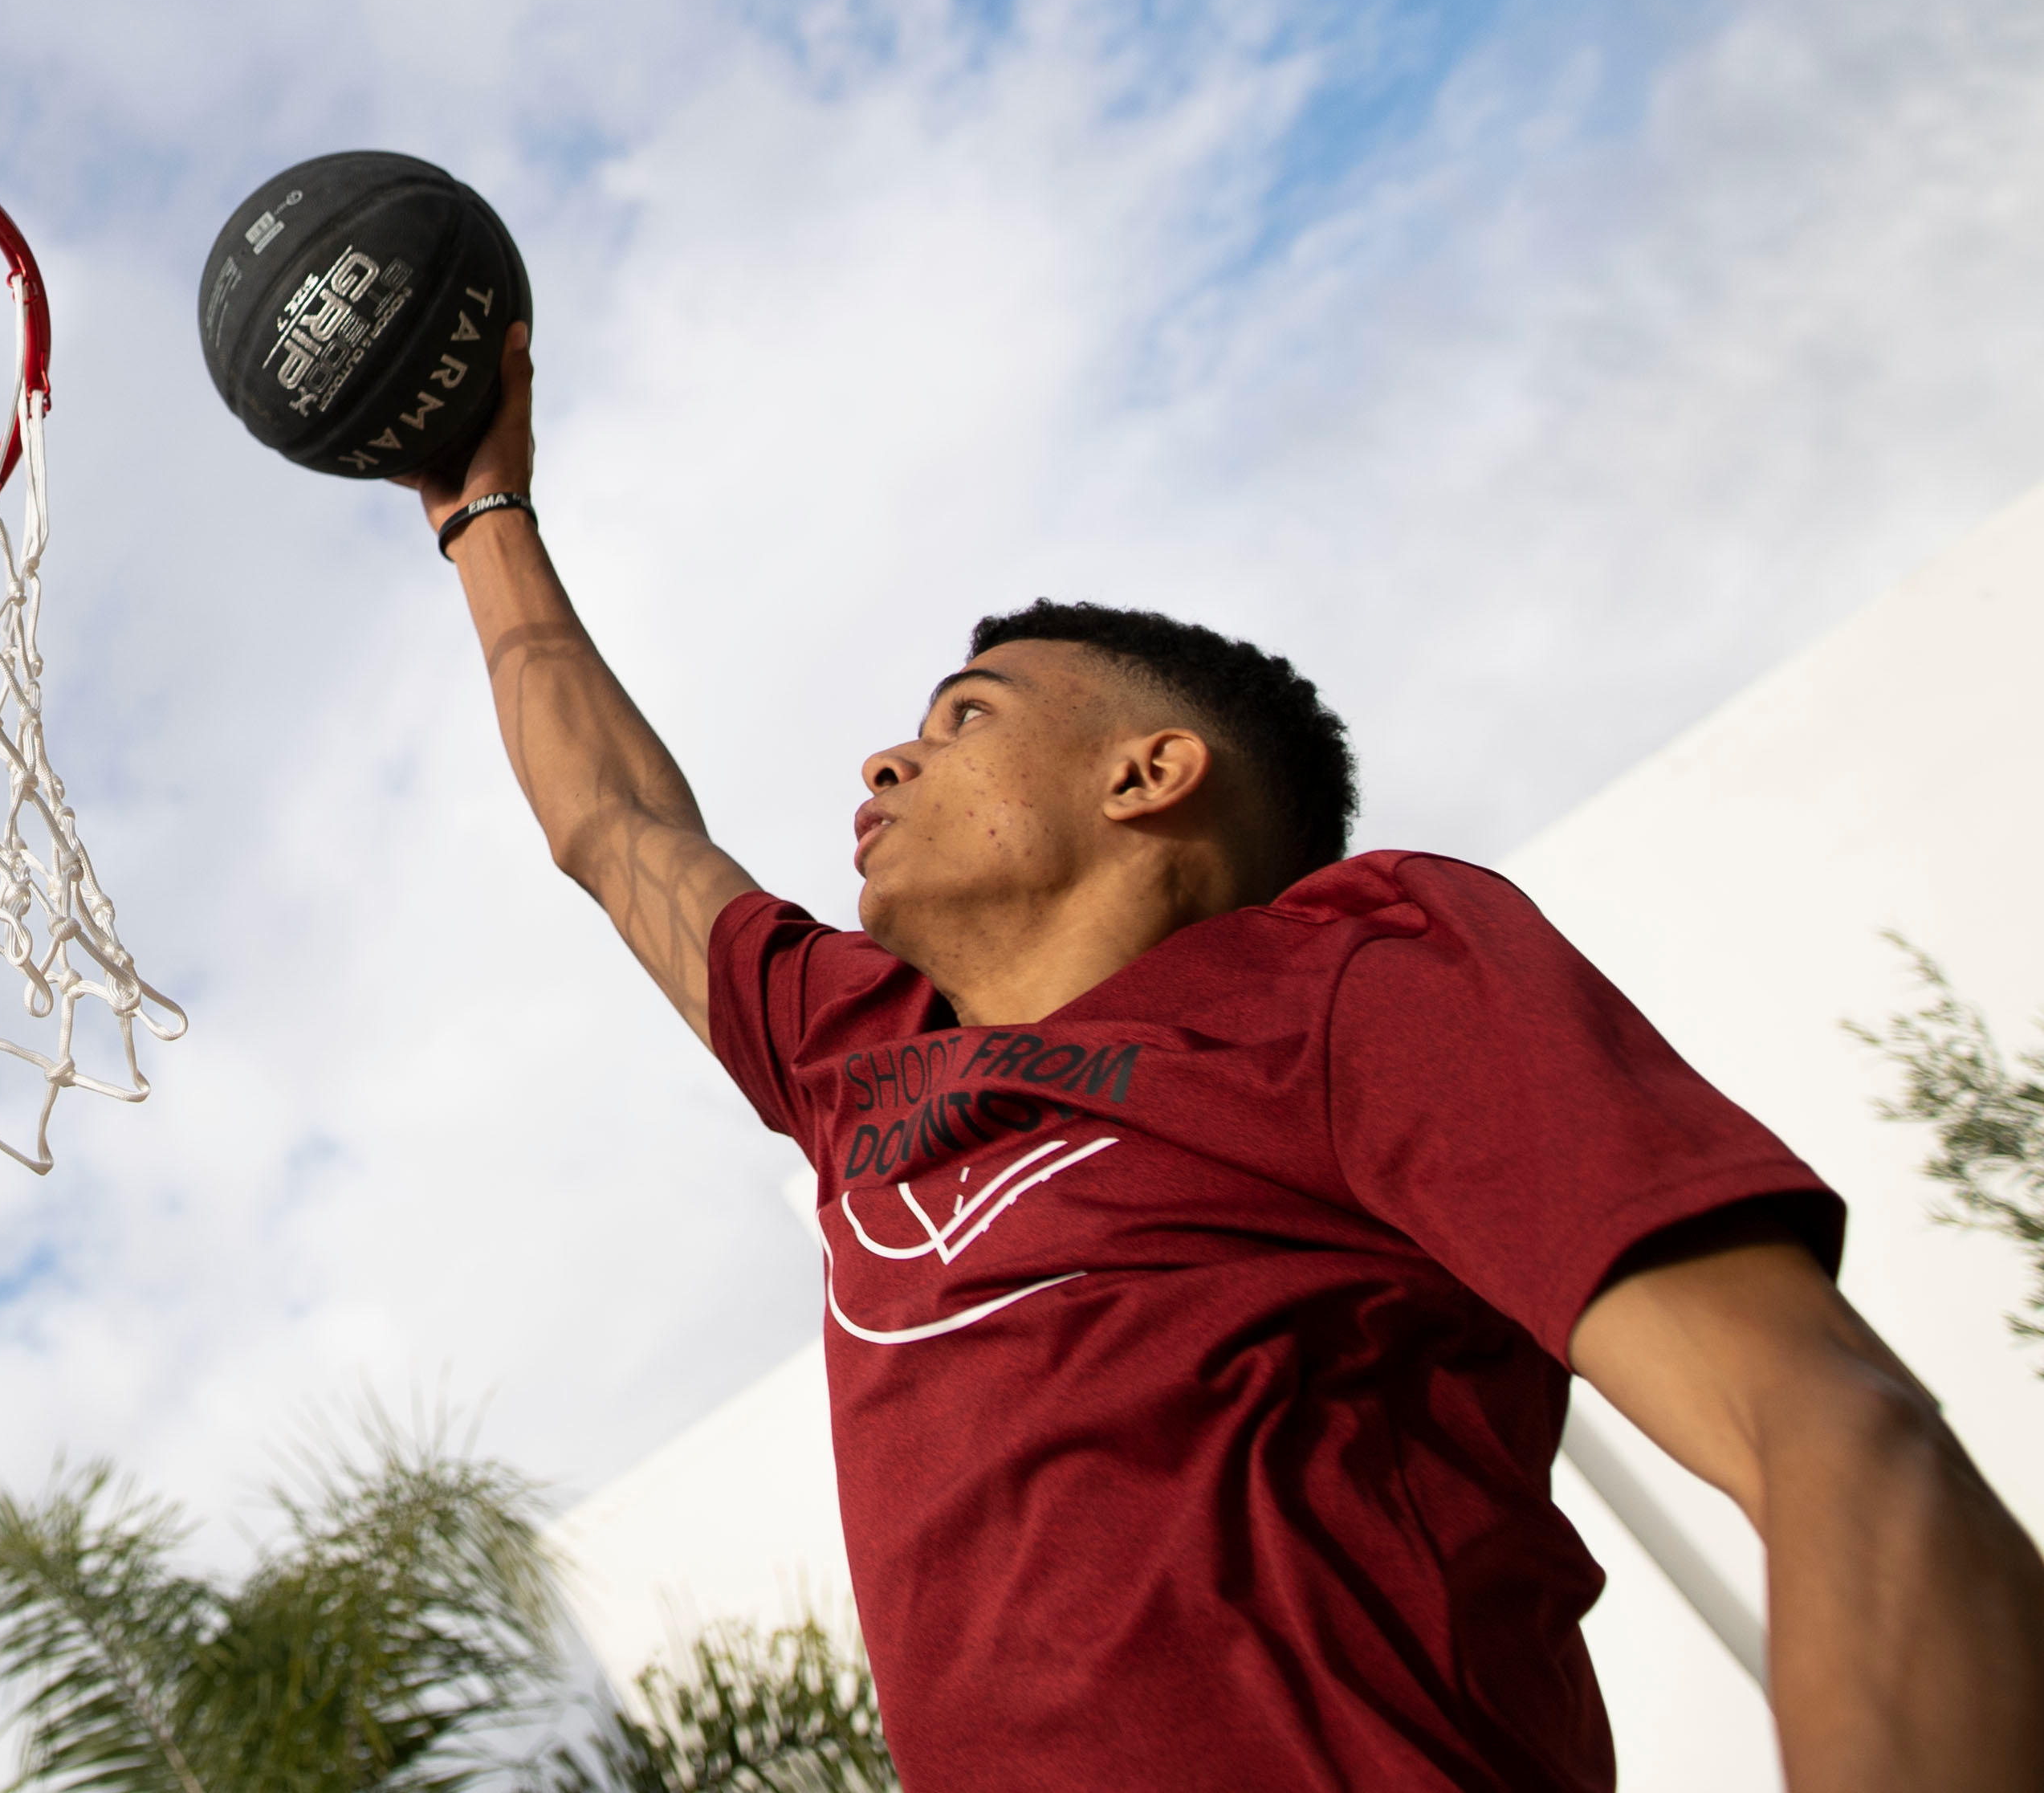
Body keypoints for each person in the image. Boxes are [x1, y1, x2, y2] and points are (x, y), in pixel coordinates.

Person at [411, 325, 2044, 1792]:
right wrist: (480, 507)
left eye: (967, 714)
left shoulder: (1348, 968)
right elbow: (615, 825)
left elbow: (1827, 1430)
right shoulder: (862, 1065)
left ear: (1152, 771)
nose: (889, 750)